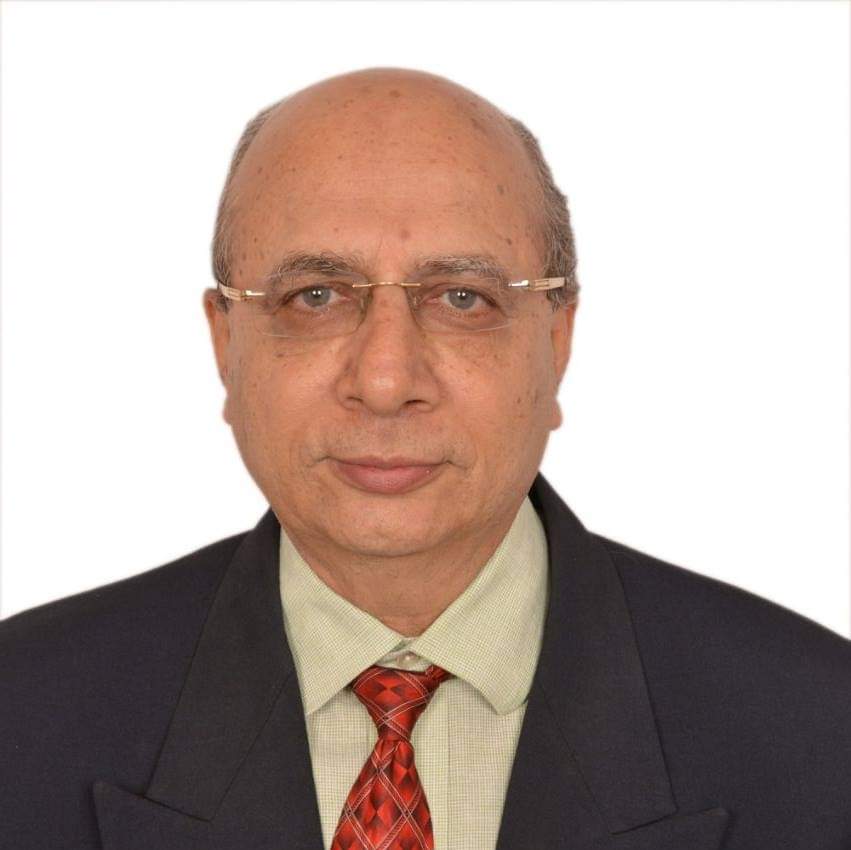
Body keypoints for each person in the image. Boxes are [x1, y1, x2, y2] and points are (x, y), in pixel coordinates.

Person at [1, 67, 849, 850]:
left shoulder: (821, 729)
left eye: (461, 298)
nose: (384, 381)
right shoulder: (21, 711)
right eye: (314, 296)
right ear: (227, 343)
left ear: (556, 341)